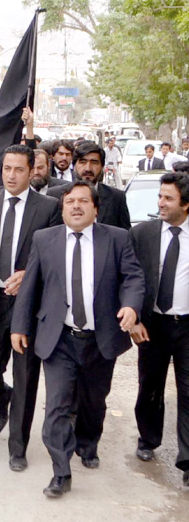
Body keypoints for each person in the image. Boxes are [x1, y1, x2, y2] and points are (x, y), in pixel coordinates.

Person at [11, 180, 145, 498]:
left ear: (95, 209)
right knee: (56, 405)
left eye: (83, 201)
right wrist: (19, 326)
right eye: (69, 201)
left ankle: (87, 443)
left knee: (93, 402)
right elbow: (30, 287)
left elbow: (133, 277)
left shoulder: (117, 238)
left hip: (100, 338)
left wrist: (130, 306)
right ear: (63, 207)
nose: (75, 206)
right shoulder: (45, 239)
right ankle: (61, 471)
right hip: (59, 338)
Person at [0, 145, 61, 471]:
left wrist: (30, 273)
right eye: (6, 168)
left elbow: (55, 255)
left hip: (28, 305)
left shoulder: (49, 207)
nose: (11, 175)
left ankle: (18, 447)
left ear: (31, 171)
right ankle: (0, 401)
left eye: (18, 169)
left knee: (25, 376)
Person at [130, 173, 189, 487]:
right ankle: (148, 438)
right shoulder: (143, 234)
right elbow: (132, 279)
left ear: (186, 204)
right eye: (160, 196)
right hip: (152, 324)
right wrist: (135, 319)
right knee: (150, 384)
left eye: (168, 198)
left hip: (187, 325)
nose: (161, 203)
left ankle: (188, 459)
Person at [49, 142, 131, 230]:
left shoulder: (116, 197)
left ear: (102, 166)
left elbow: (125, 235)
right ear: (74, 165)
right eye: (82, 162)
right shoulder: (55, 195)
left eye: (94, 162)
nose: (88, 168)